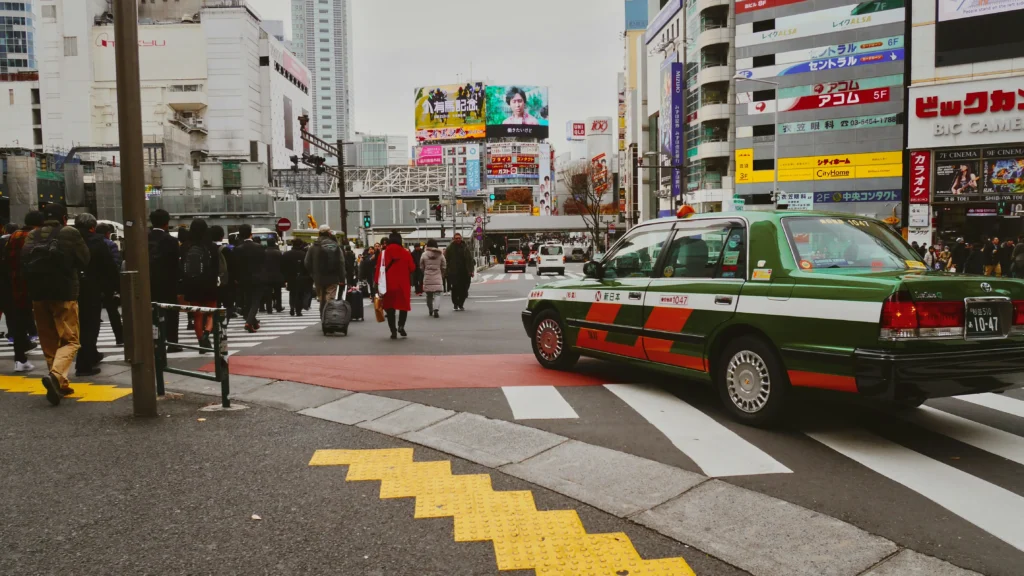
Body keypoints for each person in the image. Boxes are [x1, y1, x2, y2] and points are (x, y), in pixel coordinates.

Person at [21, 203, 90, 405]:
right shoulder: (70, 232)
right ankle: (57, 375)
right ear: (64, 218)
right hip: (64, 292)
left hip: (38, 294)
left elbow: (24, 260)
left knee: (49, 341)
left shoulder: (32, 235)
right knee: (70, 340)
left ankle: (60, 382)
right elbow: (84, 259)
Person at [73, 213, 118, 377]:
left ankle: (91, 355)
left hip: (69, 288)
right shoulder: (96, 240)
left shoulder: (67, 238)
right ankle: (84, 364)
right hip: (91, 288)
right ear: (92, 227)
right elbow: (108, 265)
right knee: (90, 326)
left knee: (77, 326)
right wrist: (115, 286)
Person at [6, 211, 43, 372]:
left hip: (14, 285)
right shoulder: (36, 236)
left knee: (18, 324)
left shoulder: (14, 235)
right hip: (34, 284)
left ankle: (20, 359)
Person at [179, 219, 224, 352]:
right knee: (211, 312)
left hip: (191, 283)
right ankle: (207, 333)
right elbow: (216, 267)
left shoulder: (185, 246)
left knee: (197, 314)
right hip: (208, 283)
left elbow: (181, 267)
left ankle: (201, 343)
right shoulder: (211, 246)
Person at [148, 209, 182, 351]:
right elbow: (177, 264)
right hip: (168, 283)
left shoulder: (143, 238)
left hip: (148, 283)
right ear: (167, 223)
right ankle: (172, 342)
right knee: (171, 313)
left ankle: (154, 341)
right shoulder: (172, 241)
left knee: (151, 312)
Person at [375, 231, 415, 339]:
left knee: (390, 308)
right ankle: (401, 326)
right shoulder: (405, 253)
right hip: (403, 285)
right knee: (403, 307)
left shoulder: (383, 254)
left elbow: (378, 270)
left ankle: (393, 331)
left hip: (388, 285)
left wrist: (376, 284)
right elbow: (412, 268)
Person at [304, 225, 345, 317]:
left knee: (321, 297)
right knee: (330, 297)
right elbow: (341, 263)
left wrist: (313, 273)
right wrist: (342, 278)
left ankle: (322, 315)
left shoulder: (313, 246)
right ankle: (329, 317)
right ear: (329, 233)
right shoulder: (335, 245)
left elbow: (307, 262)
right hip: (333, 277)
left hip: (318, 277)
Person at [234, 224, 267, 333]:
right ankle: (249, 322)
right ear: (251, 234)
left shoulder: (237, 249)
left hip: (244, 278)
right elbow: (263, 263)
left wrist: (237, 278)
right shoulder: (259, 247)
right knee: (256, 300)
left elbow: (236, 266)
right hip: (258, 277)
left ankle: (254, 321)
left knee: (247, 300)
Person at [95, 223, 124, 345]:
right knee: (113, 312)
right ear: (107, 233)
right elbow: (116, 264)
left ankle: (92, 342)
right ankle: (120, 338)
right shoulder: (110, 245)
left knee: (94, 313)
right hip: (108, 283)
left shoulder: (91, 243)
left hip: (94, 282)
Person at [209, 225, 236, 324]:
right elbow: (232, 267)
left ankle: (212, 324)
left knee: (212, 305)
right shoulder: (227, 250)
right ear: (222, 236)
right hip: (226, 282)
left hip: (210, 282)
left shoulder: (207, 249)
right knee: (228, 305)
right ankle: (224, 325)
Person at [445, 233, 475, 311]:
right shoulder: (450, 248)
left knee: (464, 289)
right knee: (455, 289)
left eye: (459, 238)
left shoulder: (465, 247)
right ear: (453, 239)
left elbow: (470, 260)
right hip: (454, 272)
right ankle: (455, 303)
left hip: (465, 272)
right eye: (456, 238)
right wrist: (447, 270)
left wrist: (471, 270)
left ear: (461, 238)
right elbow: (446, 260)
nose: (458, 239)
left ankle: (461, 304)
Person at [282, 239, 312, 316]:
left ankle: (292, 308)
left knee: (292, 293)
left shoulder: (286, 254)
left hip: (290, 276)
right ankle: (298, 310)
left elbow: (283, 267)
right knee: (300, 293)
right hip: (301, 276)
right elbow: (307, 266)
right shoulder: (304, 254)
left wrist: (285, 278)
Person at [420, 239, 446, 318]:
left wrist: (425, 272)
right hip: (437, 275)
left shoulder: (424, 254)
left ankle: (430, 309)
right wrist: (441, 273)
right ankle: (436, 309)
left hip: (427, 276)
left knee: (429, 295)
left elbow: (421, 266)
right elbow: (444, 266)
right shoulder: (440, 255)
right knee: (437, 294)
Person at [262, 238, 285, 314]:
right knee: (278, 292)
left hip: (266, 276)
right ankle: (278, 306)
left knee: (268, 293)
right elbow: (282, 264)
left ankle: (269, 308)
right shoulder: (278, 253)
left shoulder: (263, 252)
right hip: (277, 275)